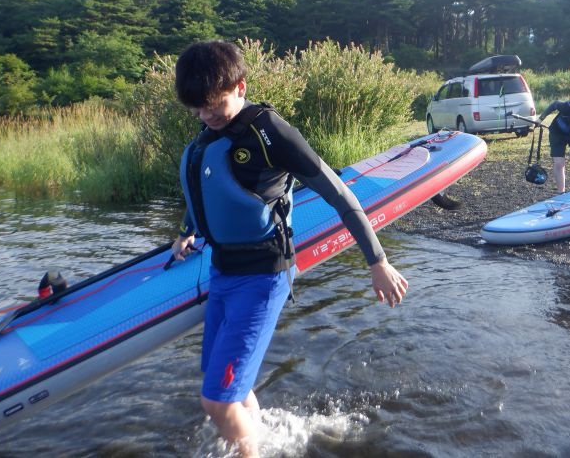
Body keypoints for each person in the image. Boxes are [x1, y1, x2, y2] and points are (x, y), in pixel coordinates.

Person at [169, 41, 408, 457]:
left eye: (214, 105)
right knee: (225, 388)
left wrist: (378, 261)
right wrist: (189, 230)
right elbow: (208, 188)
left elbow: (340, 195)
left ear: (240, 87)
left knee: (217, 400)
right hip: (224, 273)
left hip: (262, 278)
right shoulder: (212, 132)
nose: (206, 116)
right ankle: (259, 440)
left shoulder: (271, 133)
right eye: (197, 109)